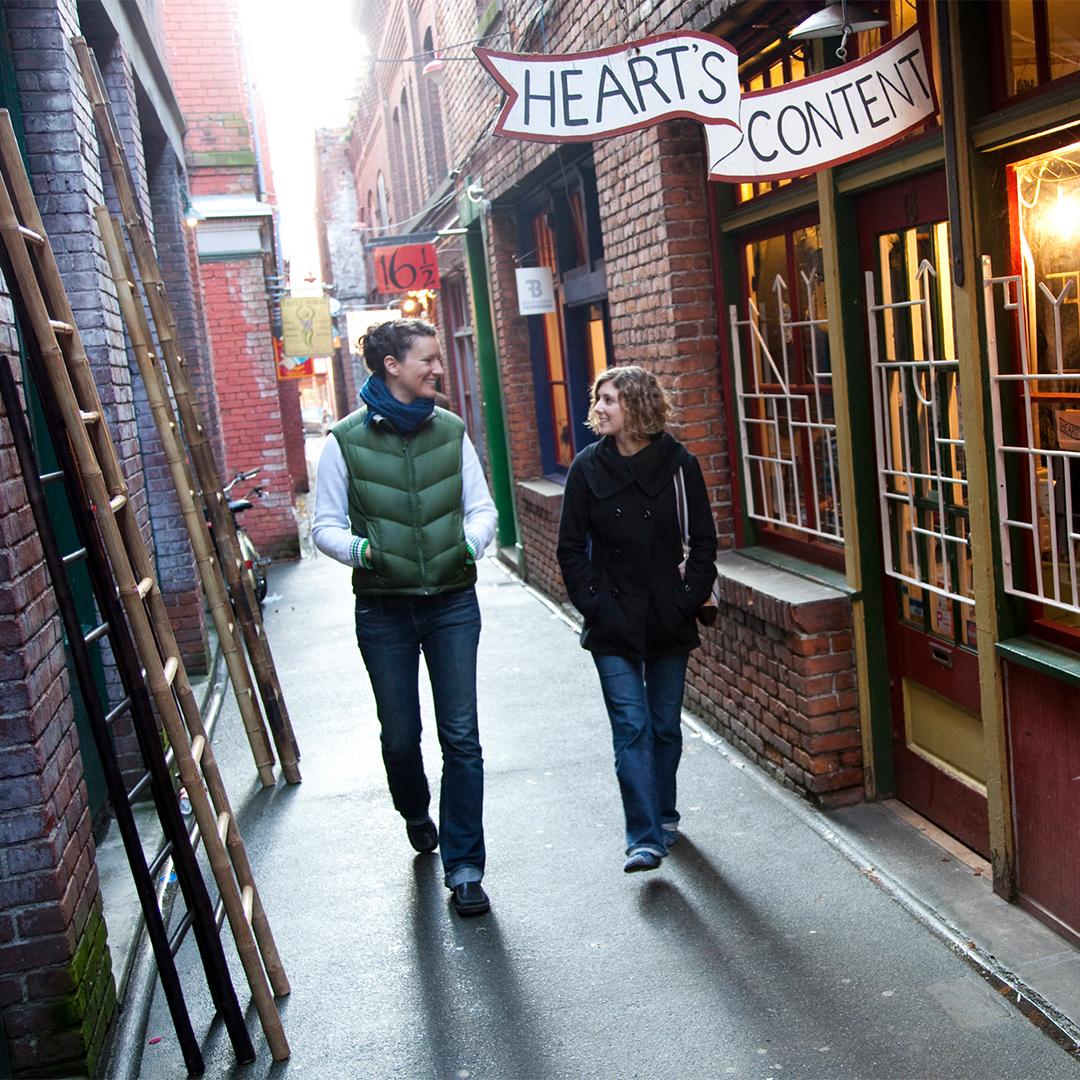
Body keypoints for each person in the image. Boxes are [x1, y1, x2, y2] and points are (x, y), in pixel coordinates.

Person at [312, 319, 498, 916]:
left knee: (461, 737)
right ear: (391, 365)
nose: (438, 368)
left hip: (451, 604)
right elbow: (325, 527)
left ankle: (465, 866)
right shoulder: (343, 441)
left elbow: (482, 508)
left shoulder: (452, 431)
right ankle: (415, 810)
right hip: (384, 610)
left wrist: (467, 546)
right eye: (428, 359)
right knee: (400, 736)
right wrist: (364, 552)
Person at [557, 366, 717, 873]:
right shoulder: (586, 467)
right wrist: (594, 602)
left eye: (610, 400)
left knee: (665, 726)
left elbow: (705, 543)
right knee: (631, 726)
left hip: (667, 615)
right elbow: (570, 549)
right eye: (598, 398)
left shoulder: (677, 465)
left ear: (639, 408)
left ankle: (664, 814)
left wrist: (685, 599)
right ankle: (643, 838)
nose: (598, 408)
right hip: (612, 620)